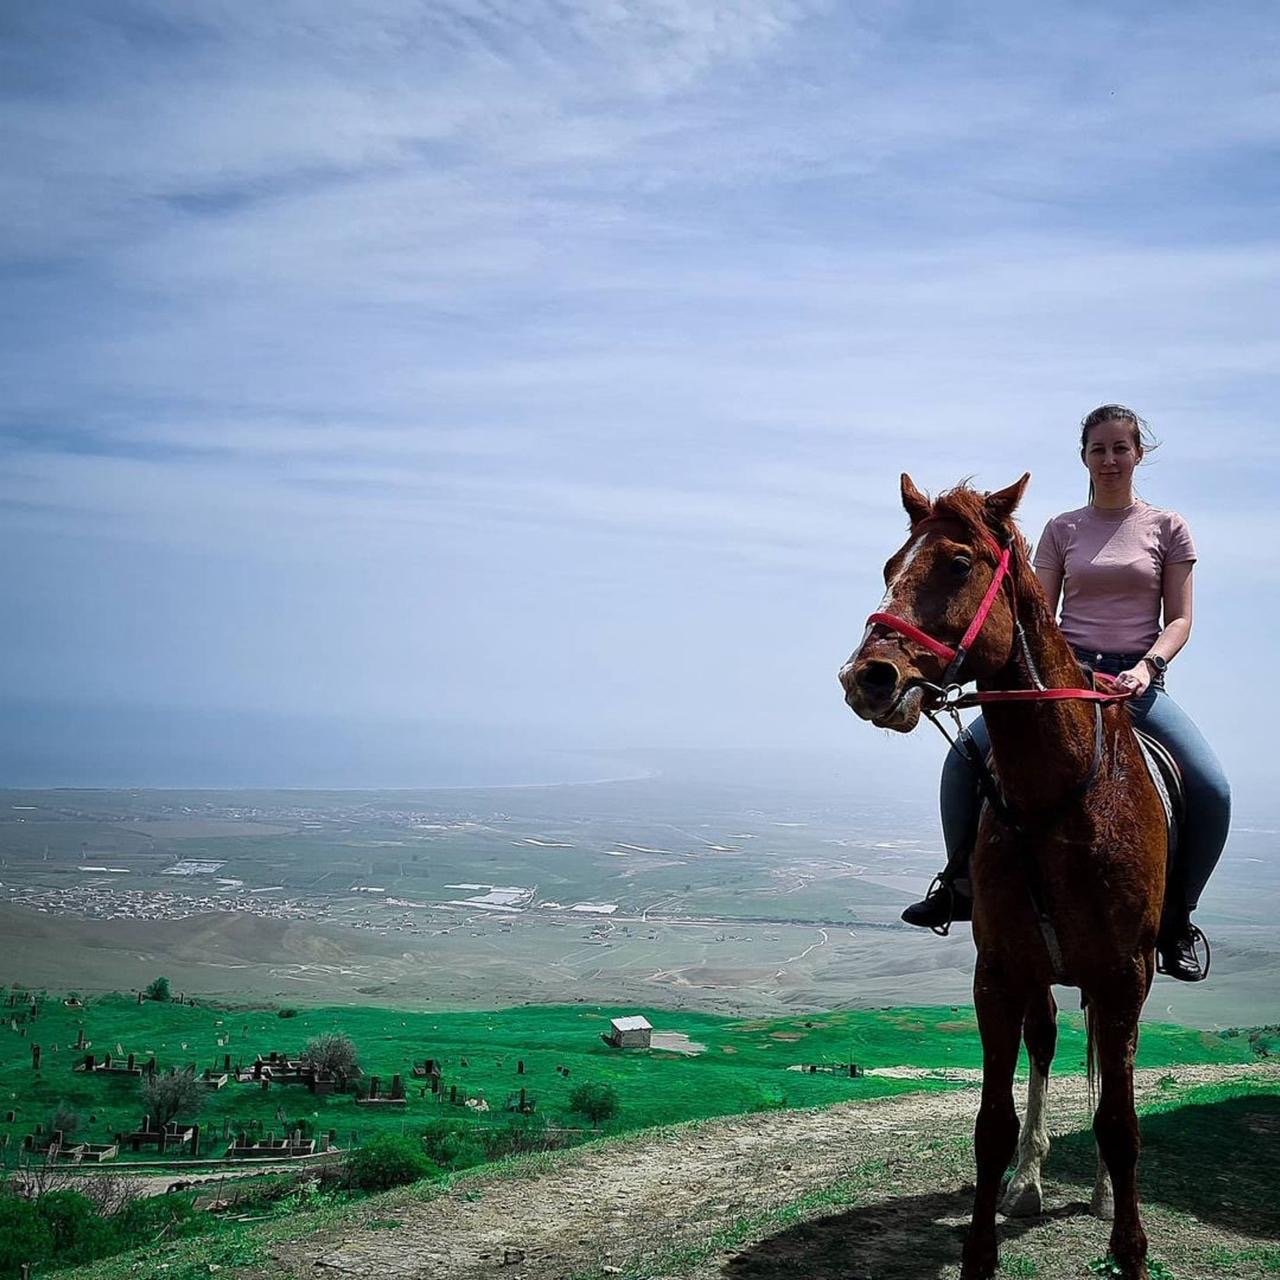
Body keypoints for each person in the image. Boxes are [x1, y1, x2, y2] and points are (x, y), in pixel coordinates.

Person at [901, 405, 1231, 982]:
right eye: (1098, 449)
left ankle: (1177, 918)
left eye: (1120, 448)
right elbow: (1037, 616)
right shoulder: (1062, 529)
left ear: (1138, 455)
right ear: (1084, 456)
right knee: (963, 761)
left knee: (1212, 788)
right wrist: (1053, 673)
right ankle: (958, 885)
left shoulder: (1168, 528)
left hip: (1137, 683)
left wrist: (1147, 669)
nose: (1109, 459)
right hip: (1064, 679)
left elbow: (1179, 620)